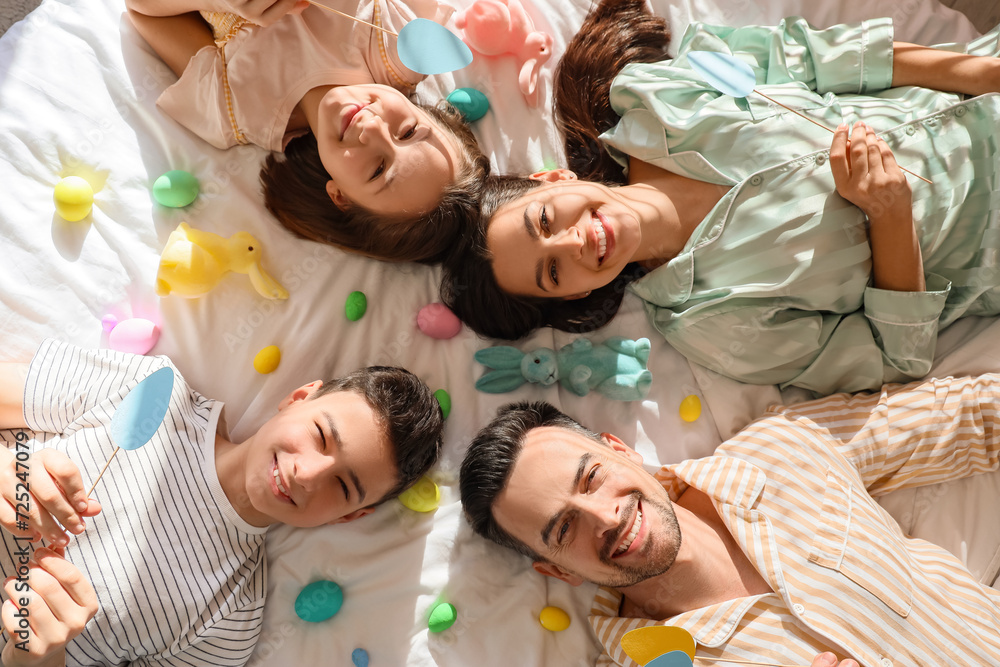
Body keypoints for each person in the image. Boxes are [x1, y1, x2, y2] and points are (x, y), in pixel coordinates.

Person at [441, 0, 1000, 394]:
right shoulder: (714, 325)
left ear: (553, 180)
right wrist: (890, 216)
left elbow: (818, 58)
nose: (573, 243)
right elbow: (895, 357)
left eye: (544, 222)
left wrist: (986, 75)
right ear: (573, 295)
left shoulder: (652, 98)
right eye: (553, 272)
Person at [460, 374, 1000, 667]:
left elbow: (967, 418)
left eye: (592, 477)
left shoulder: (777, 449)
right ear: (558, 571)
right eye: (563, 529)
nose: (605, 516)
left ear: (620, 448)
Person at [0, 339, 443, 666]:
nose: (306, 474)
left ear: (349, 517)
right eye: (320, 436)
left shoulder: (228, 622)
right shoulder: (151, 390)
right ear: (298, 398)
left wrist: (35, 656)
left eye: (342, 487)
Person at [125, 0, 489, 263]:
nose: (372, 128)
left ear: (340, 196)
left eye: (377, 169)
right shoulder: (396, 39)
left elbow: (142, 9)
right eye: (408, 131)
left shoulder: (233, 109)